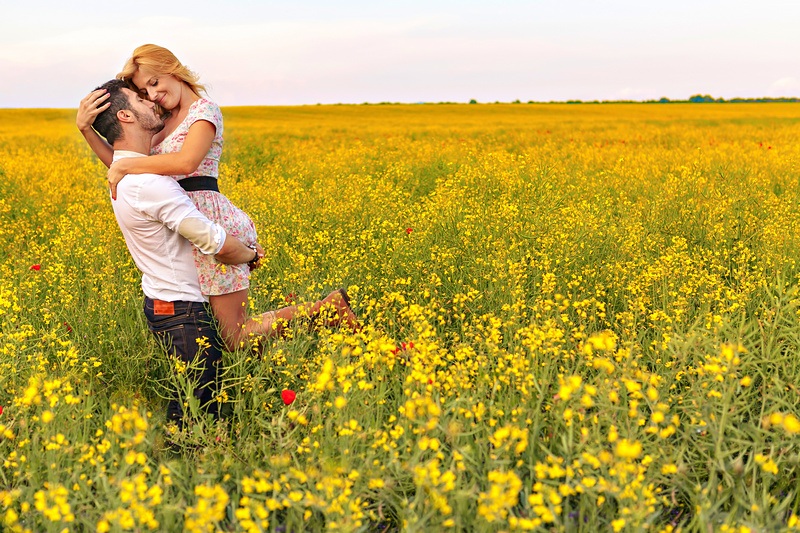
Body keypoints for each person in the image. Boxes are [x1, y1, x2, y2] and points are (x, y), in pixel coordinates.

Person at [77, 44, 359, 351]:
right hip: (185, 221)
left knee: (233, 336)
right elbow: (128, 169)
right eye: (145, 91)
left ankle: (326, 309)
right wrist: (87, 131)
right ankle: (281, 351)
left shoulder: (203, 111)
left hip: (210, 221)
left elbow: (185, 163)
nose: (153, 94)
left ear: (172, 69)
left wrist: (127, 165)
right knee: (220, 332)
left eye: (155, 83)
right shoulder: (161, 121)